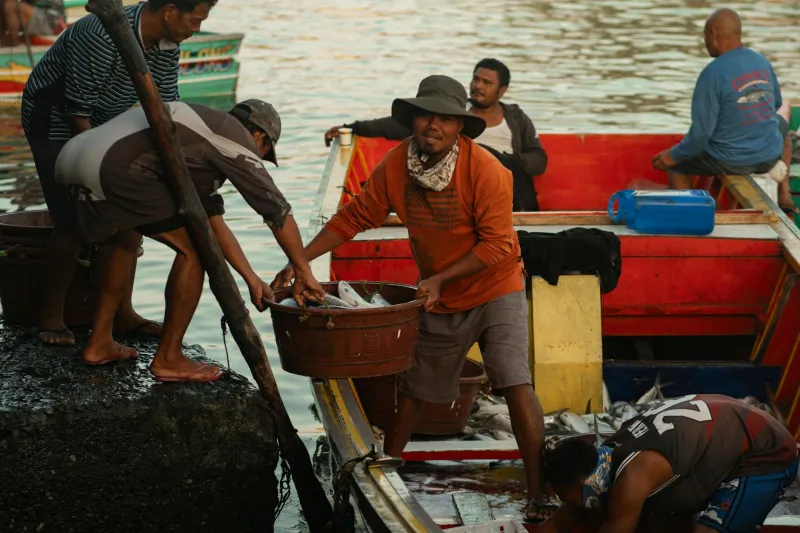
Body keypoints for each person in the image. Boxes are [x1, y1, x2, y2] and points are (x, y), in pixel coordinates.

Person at [272, 74, 554, 521]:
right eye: (426, 115)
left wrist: (441, 279)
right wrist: (298, 261)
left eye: (445, 118)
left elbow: (499, 245)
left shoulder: (487, 171)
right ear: (413, 119)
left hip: (496, 286)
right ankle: (389, 468)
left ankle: (539, 491)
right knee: (417, 387)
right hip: (440, 295)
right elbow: (354, 218)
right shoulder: (396, 164)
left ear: (461, 126)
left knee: (515, 381)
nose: (433, 126)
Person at [54, 99, 327, 382]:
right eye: (263, 152)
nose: (257, 158)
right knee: (195, 251)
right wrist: (304, 272)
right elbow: (277, 210)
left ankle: (100, 343)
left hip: (72, 157)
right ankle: (168, 358)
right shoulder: (233, 135)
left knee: (125, 237)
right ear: (259, 136)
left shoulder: (197, 135)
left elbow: (211, 221)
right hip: (114, 166)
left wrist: (250, 277)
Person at [21, 0, 217, 346]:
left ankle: (123, 314)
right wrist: (101, 168)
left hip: (106, 119)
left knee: (128, 212)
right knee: (71, 216)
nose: (197, 28)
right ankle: (51, 317)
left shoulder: (169, 42)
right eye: (196, 19)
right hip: (55, 117)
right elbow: (78, 111)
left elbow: (164, 105)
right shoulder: (102, 32)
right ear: (170, 10)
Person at [539, 394, 799, 533]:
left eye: (570, 499)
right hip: (725, 435)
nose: (569, 505)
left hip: (766, 452)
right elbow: (560, 522)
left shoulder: (632, 477)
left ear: (588, 481)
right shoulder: (604, 455)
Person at [323, 58, 547, 211]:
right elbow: (393, 125)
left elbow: (539, 160)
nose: (478, 86)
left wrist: (501, 161)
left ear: (502, 90)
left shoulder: (515, 118)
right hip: (454, 181)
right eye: (476, 79)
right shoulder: (449, 113)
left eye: (487, 83)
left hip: (502, 183)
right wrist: (353, 127)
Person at [651, 8, 797, 214]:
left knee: (678, 165)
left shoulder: (712, 73)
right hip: (768, 155)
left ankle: (694, 219)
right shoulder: (761, 61)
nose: (704, 42)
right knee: (783, 130)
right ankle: (785, 193)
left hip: (730, 160)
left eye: (704, 35)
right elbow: (775, 105)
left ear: (713, 34)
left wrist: (672, 156)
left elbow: (700, 136)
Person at [0, 0, 66, 46]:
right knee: (3, 3)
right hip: (39, 16)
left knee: (10, 6)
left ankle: (13, 42)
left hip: (52, 21)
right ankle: (5, 40)